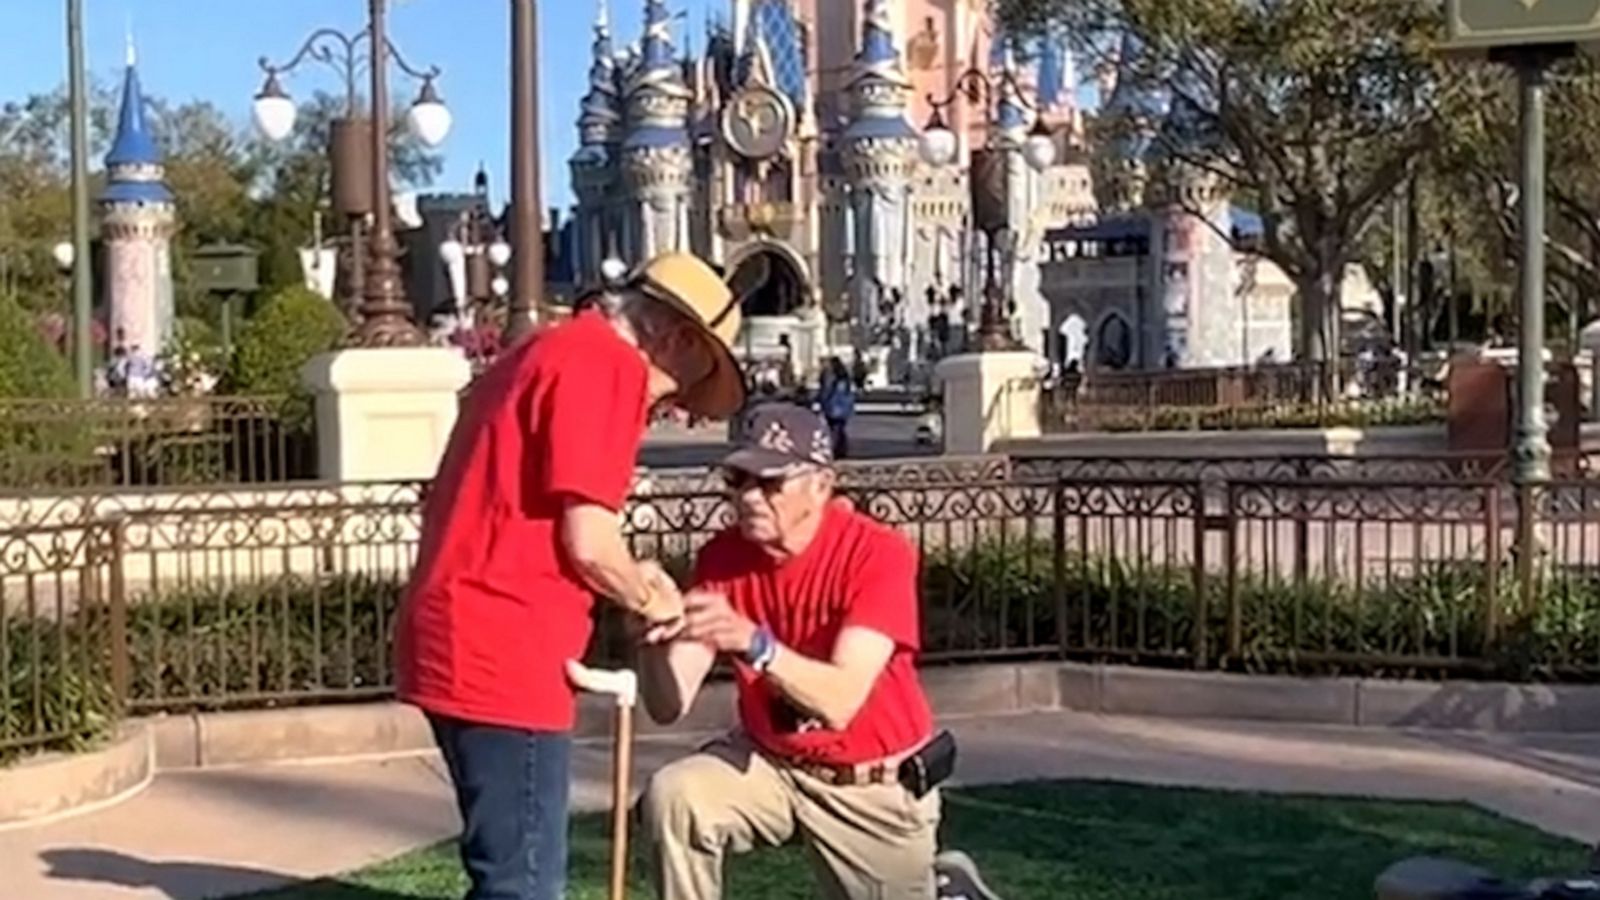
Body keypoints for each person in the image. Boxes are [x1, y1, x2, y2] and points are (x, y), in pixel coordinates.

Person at [394, 252, 747, 900]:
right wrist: (652, 594)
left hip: (468, 633)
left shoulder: (555, 349)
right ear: (674, 338)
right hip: (504, 645)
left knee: (506, 873)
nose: (679, 412)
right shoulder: (605, 366)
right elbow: (588, 542)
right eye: (683, 386)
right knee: (523, 885)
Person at [632, 403, 1004, 900]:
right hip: (769, 763)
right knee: (677, 797)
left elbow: (840, 701)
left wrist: (753, 642)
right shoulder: (722, 557)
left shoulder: (877, 554)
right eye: (736, 479)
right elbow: (666, 705)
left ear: (821, 485)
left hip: (868, 784)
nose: (748, 497)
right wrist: (651, 626)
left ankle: (947, 891)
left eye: (769, 482)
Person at [817, 356, 855, 459]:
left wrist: (821, 401)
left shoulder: (831, 376)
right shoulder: (844, 377)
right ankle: (841, 449)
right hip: (843, 406)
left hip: (833, 406)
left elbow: (826, 391)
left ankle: (834, 449)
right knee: (840, 429)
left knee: (833, 430)